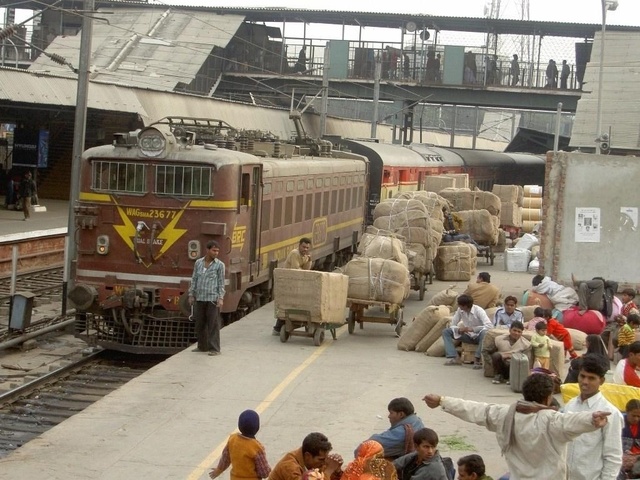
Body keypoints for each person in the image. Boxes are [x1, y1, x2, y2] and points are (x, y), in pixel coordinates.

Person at [422, 374, 613, 480]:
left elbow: (475, 409)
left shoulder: (505, 415)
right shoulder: (552, 421)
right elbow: (573, 420)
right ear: (548, 398)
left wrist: (442, 400)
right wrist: (592, 419)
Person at [564, 354, 623, 480]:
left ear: (601, 381)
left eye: (591, 378)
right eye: (582, 376)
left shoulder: (610, 413)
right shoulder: (569, 406)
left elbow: (613, 456)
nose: (585, 382)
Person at [209, 410, 271, 480]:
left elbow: (225, 459)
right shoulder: (256, 448)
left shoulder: (232, 439)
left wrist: (218, 470)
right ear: (257, 428)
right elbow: (264, 473)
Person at [188, 239, 226, 356]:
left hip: (212, 299)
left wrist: (220, 298)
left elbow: (221, 282)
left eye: (217, 251)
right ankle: (202, 346)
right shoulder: (198, 263)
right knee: (200, 323)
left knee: (213, 324)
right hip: (200, 298)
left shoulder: (220, 265)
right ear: (207, 250)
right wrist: (191, 294)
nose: (216, 253)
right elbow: (194, 279)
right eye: (214, 250)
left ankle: (215, 349)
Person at [272, 237, 313, 335]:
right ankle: (277, 329)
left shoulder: (304, 256)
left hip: (294, 284)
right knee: (286, 306)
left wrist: (309, 261)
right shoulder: (295, 253)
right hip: (287, 283)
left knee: (293, 305)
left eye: (307, 248)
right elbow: (297, 271)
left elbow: (307, 270)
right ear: (299, 245)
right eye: (303, 247)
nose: (305, 249)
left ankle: (281, 327)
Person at [442, 294, 492, 369]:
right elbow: (453, 323)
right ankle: (454, 357)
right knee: (446, 332)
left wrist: (473, 329)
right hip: (468, 335)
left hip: (479, 336)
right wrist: (458, 329)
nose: (458, 306)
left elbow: (489, 326)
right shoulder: (460, 310)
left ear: (465, 306)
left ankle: (477, 359)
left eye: (460, 305)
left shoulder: (479, 311)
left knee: (485, 333)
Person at [269, 432, 343, 480]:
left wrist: (337, 471)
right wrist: (329, 471)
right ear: (308, 456)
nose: (324, 463)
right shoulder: (290, 467)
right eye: (321, 460)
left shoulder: (316, 463)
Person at [490, 321, 531, 385]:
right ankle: (499, 375)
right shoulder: (499, 339)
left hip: (515, 366)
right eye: (514, 330)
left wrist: (509, 356)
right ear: (510, 330)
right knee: (496, 355)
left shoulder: (526, 344)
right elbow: (489, 352)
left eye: (519, 331)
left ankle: (512, 378)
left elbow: (526, 358)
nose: (516, 333)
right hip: (501, 365)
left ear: (521, 333)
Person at [621, 399, 640, 478]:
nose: (636, 419)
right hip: (621, 457)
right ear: (627, 411)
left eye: (639, 416)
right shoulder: (620, 422)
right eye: (633, 415)